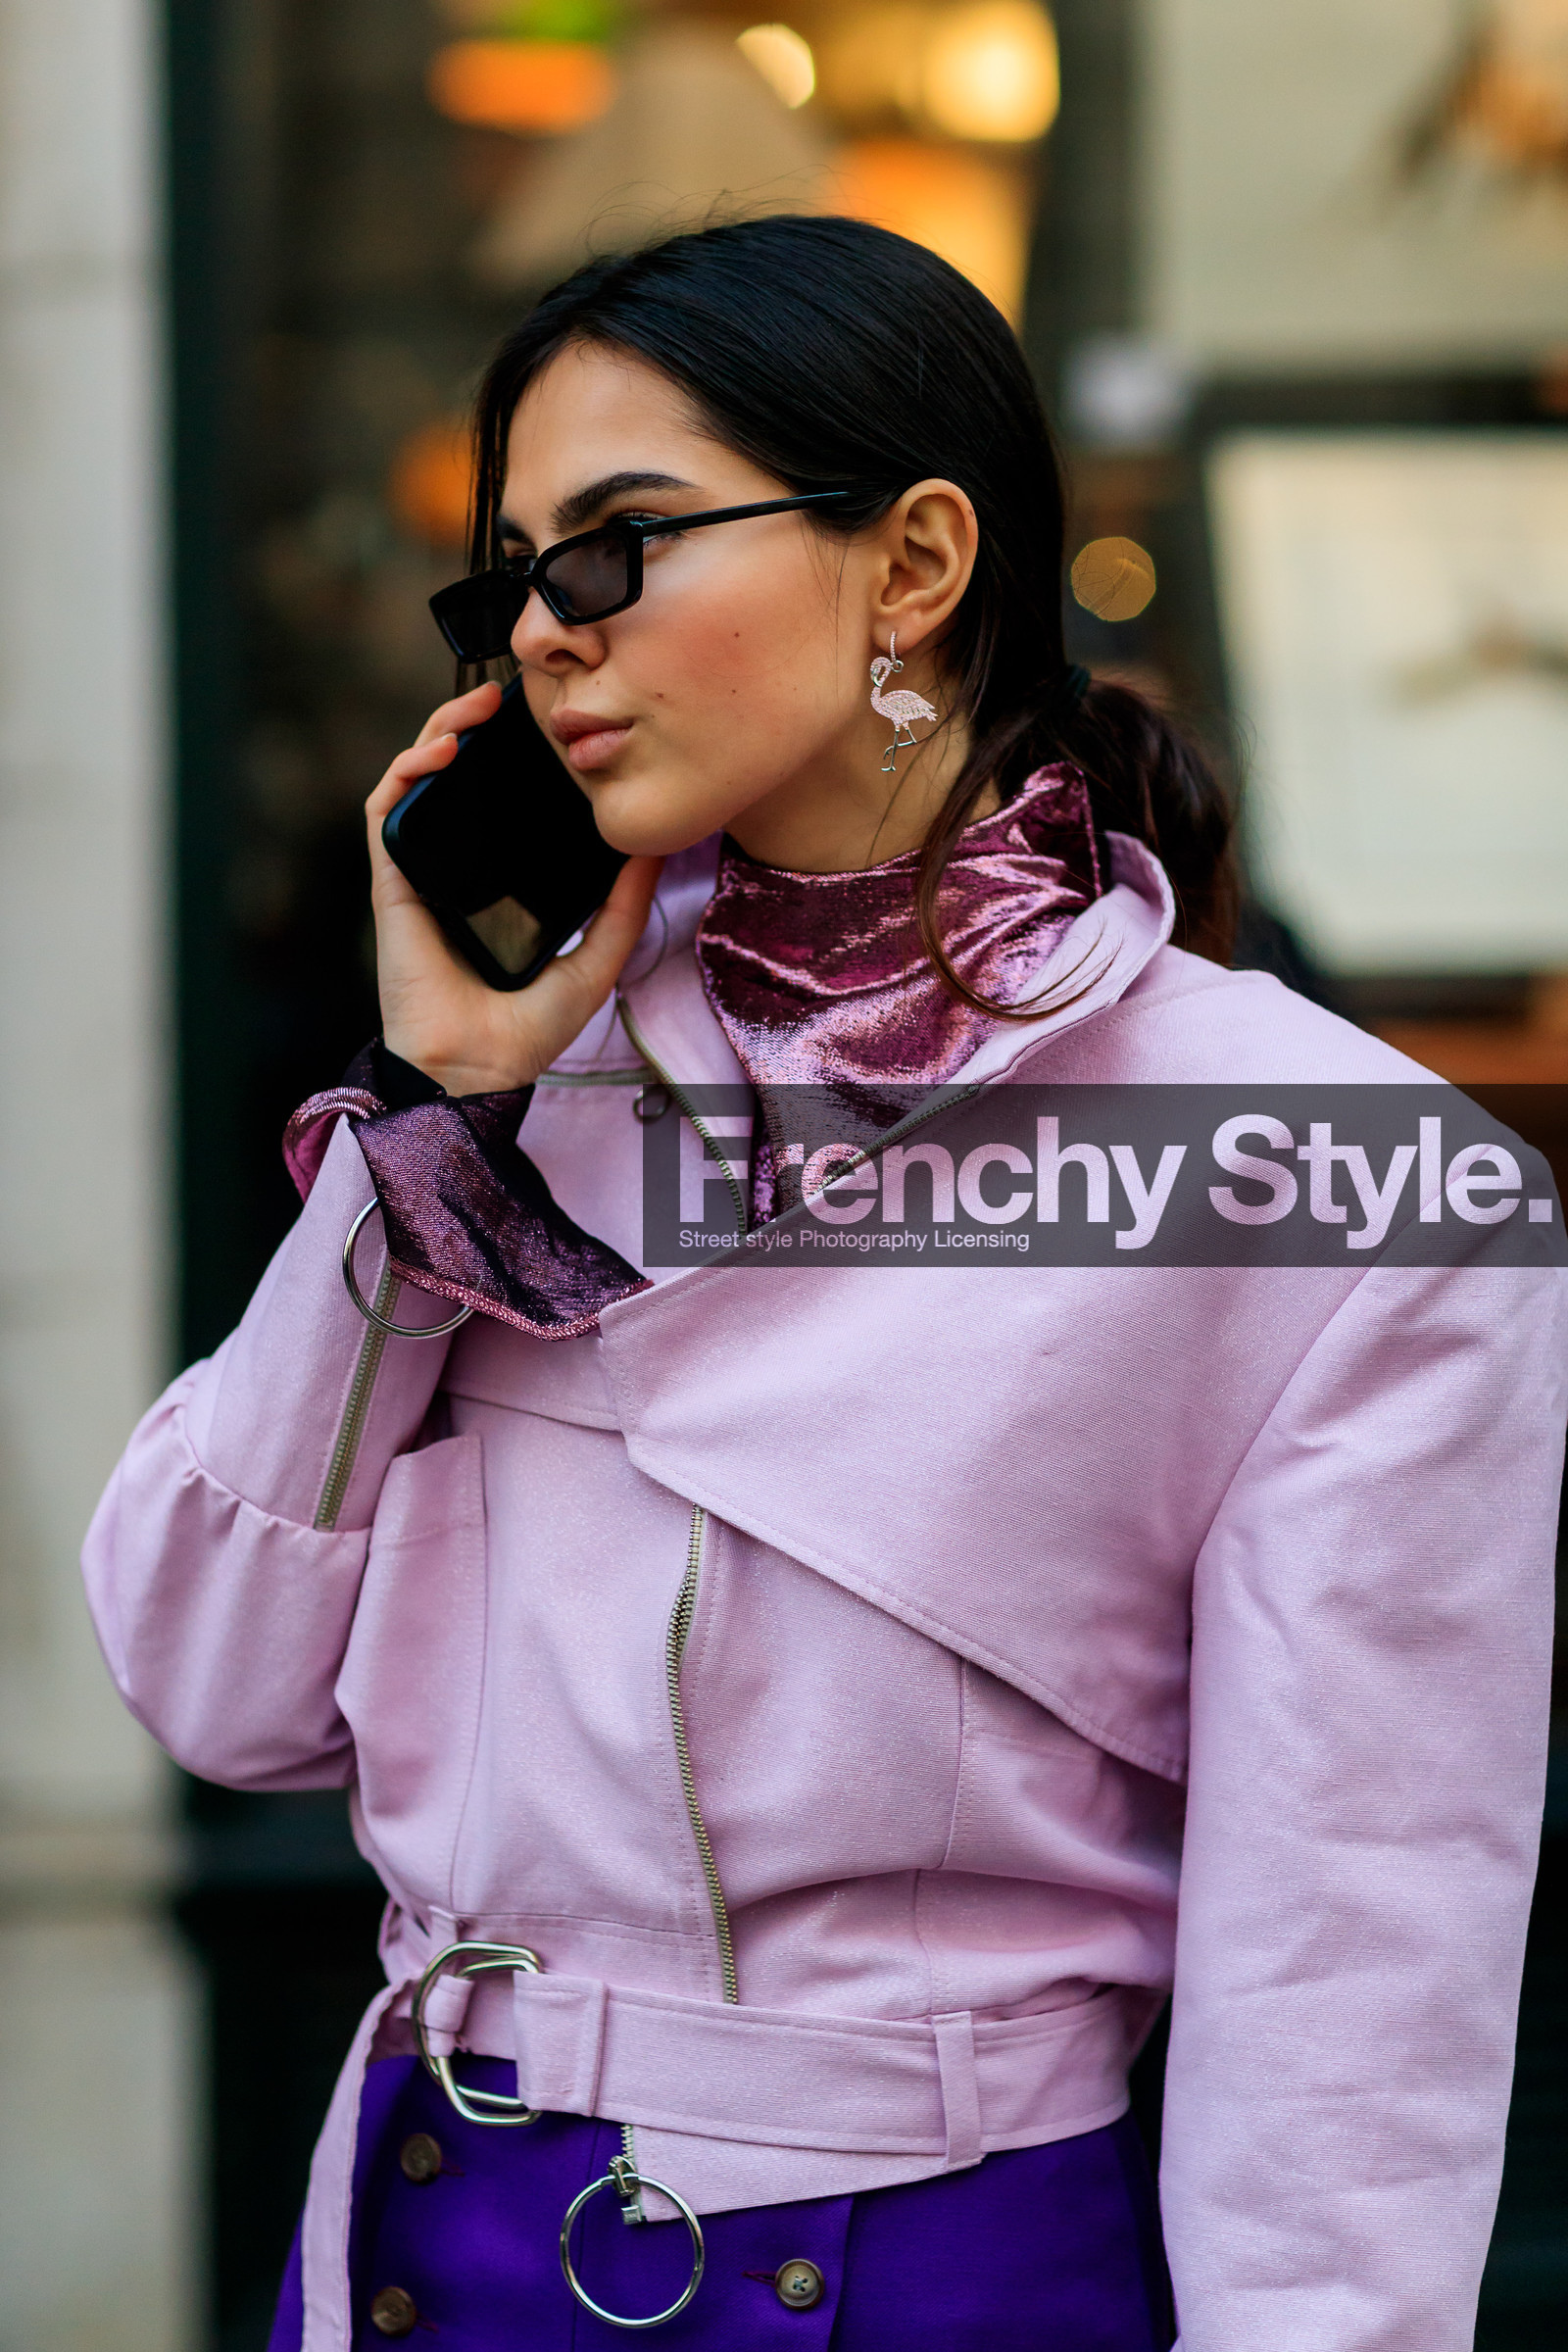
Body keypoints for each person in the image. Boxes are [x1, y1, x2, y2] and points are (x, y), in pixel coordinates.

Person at [84, 217, 1563, 2352]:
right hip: (425, 2235)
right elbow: (211, 1689)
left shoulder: (1326, 1181)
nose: (537, 639)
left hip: (928, 2265)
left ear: (915, 564)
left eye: (611, 550)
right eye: (501, 580)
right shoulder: (524, 1080)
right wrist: (426, 1125)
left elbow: (1351, 2000)